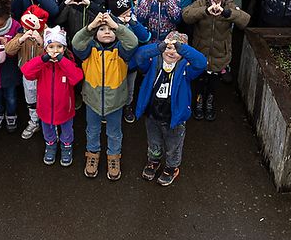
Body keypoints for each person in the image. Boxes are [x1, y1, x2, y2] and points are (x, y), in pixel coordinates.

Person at [132, 32, 207, 186]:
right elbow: (139, 56)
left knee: (173, 145)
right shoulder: (154, 63)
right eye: (168, 48)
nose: (172, 52)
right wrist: (158, 48)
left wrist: (182, 48)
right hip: (152, 113)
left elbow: (201, 62)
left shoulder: (186, 68)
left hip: (174, 116)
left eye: (176, 50)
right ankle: (154, 161)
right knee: (154, 141)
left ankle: (172, 167)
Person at [72, 10, 139, 181]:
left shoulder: (121, 50)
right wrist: (91, 26)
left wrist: (118, 26)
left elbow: (133, 42)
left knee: (114, 132)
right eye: (102, 29)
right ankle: (92, 154)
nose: (107, 32)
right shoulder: (89, 50)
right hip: (92, 101)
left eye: (111, 29)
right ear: (95, 33)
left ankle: (113, 157)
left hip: (115, 102)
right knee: (92, 130)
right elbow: (76, 43)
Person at [19, 26, 83, 166]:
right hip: (45, 108)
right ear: (46, 48)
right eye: (51, 47)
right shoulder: (42, 64)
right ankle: (51, 144)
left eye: (59, 47)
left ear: (64, 48)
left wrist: (62, 61)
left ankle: (66, 146)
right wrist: (43, 59)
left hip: (65, 108)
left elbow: (77, 77)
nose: (55, 51)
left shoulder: (67, 64)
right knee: (47, 129)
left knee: (67, 129)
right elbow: (27, 72)